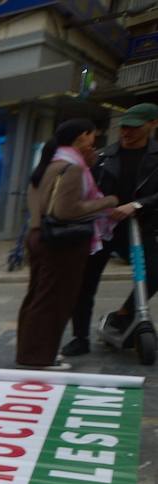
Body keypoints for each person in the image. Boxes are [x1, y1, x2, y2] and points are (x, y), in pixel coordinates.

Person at [14, 120, 117, 371]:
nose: (94, 142)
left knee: (37, 298)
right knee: (54, 301)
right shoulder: (72, 168)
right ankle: (40, 358)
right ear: (82, 136)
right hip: (61, 242)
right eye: (93, 136)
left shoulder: (48, 164)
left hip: (38, 235)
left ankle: (30, 353)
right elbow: (65, 210)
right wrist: (108, 202)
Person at [67, 103, 158, 356]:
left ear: (153, 124)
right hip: (103, 229)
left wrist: (137, 205)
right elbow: (87, 190)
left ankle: (123, 314)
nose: (127, 132)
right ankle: (80, 337)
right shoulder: (105, 156)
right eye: (124, 126)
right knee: (85, 283)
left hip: (140, 228)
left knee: (154, 272)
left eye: (134, 127)